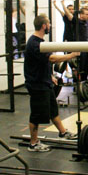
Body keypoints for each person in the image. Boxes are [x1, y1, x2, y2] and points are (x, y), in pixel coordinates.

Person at [23, 14, 79, 152]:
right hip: (37, 85)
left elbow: (42, 62)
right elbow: (52, 59)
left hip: (45, 81)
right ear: (44, 26)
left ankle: (62, 132)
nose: (50, 26)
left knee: (53, 110)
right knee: (36, 115)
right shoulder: (34, 43)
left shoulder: (41, 41)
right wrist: (71, 55)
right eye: (49, 23)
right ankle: (33, 143)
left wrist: (50, 76)